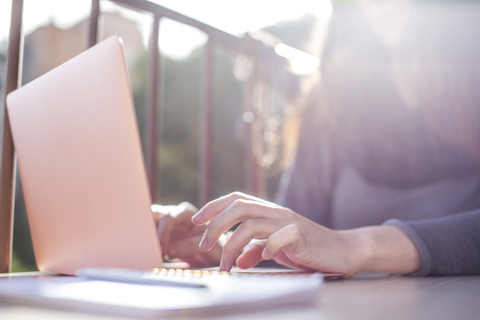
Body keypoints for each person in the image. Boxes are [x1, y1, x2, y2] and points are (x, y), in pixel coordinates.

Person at [156, 0, 480, 277]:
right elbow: (298, 240)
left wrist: (357, 246)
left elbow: (337, 246)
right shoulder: (331, 102)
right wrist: (222, 246)